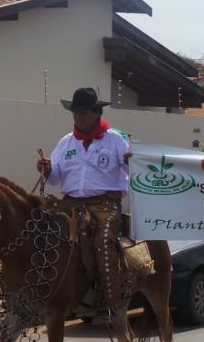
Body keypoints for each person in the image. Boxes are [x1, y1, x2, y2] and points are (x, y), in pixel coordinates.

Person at [36, 88, 132, 327]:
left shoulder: (115, 139)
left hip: (104, 204)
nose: (79, 117)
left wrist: (133, 160)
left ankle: (109, 304)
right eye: (75, 112)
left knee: (103, 242)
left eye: (84, 112)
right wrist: (47, 169)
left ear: (97, 112)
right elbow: (56, 177)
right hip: (69, 203)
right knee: (38, 231)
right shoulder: (65, 142)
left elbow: (132, 172)